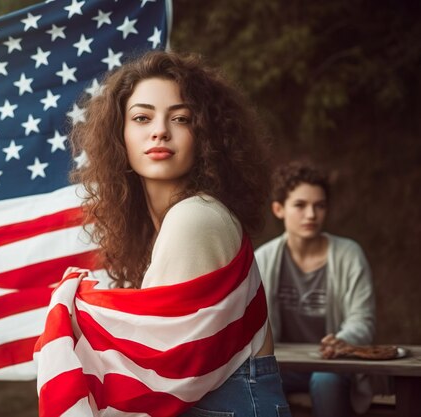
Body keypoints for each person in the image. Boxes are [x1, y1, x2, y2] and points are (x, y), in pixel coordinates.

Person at [35, 51, 290, 416]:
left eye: (181, 118)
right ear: (119, 134)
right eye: (142, 117)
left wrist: (73, 310)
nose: (159, 130)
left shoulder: (195, 218)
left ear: (205, 135)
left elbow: (155, 370)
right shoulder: (174, 219)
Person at [255, 162, 376, 416]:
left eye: (319, 206)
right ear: (279, 209)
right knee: (253, 380)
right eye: (300, 205)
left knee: (325, 379)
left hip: (334, 364)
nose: (311, 214)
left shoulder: (349, 254)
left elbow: (362, 320)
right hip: (283, 365)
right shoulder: (263, 259)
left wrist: (342, 342)